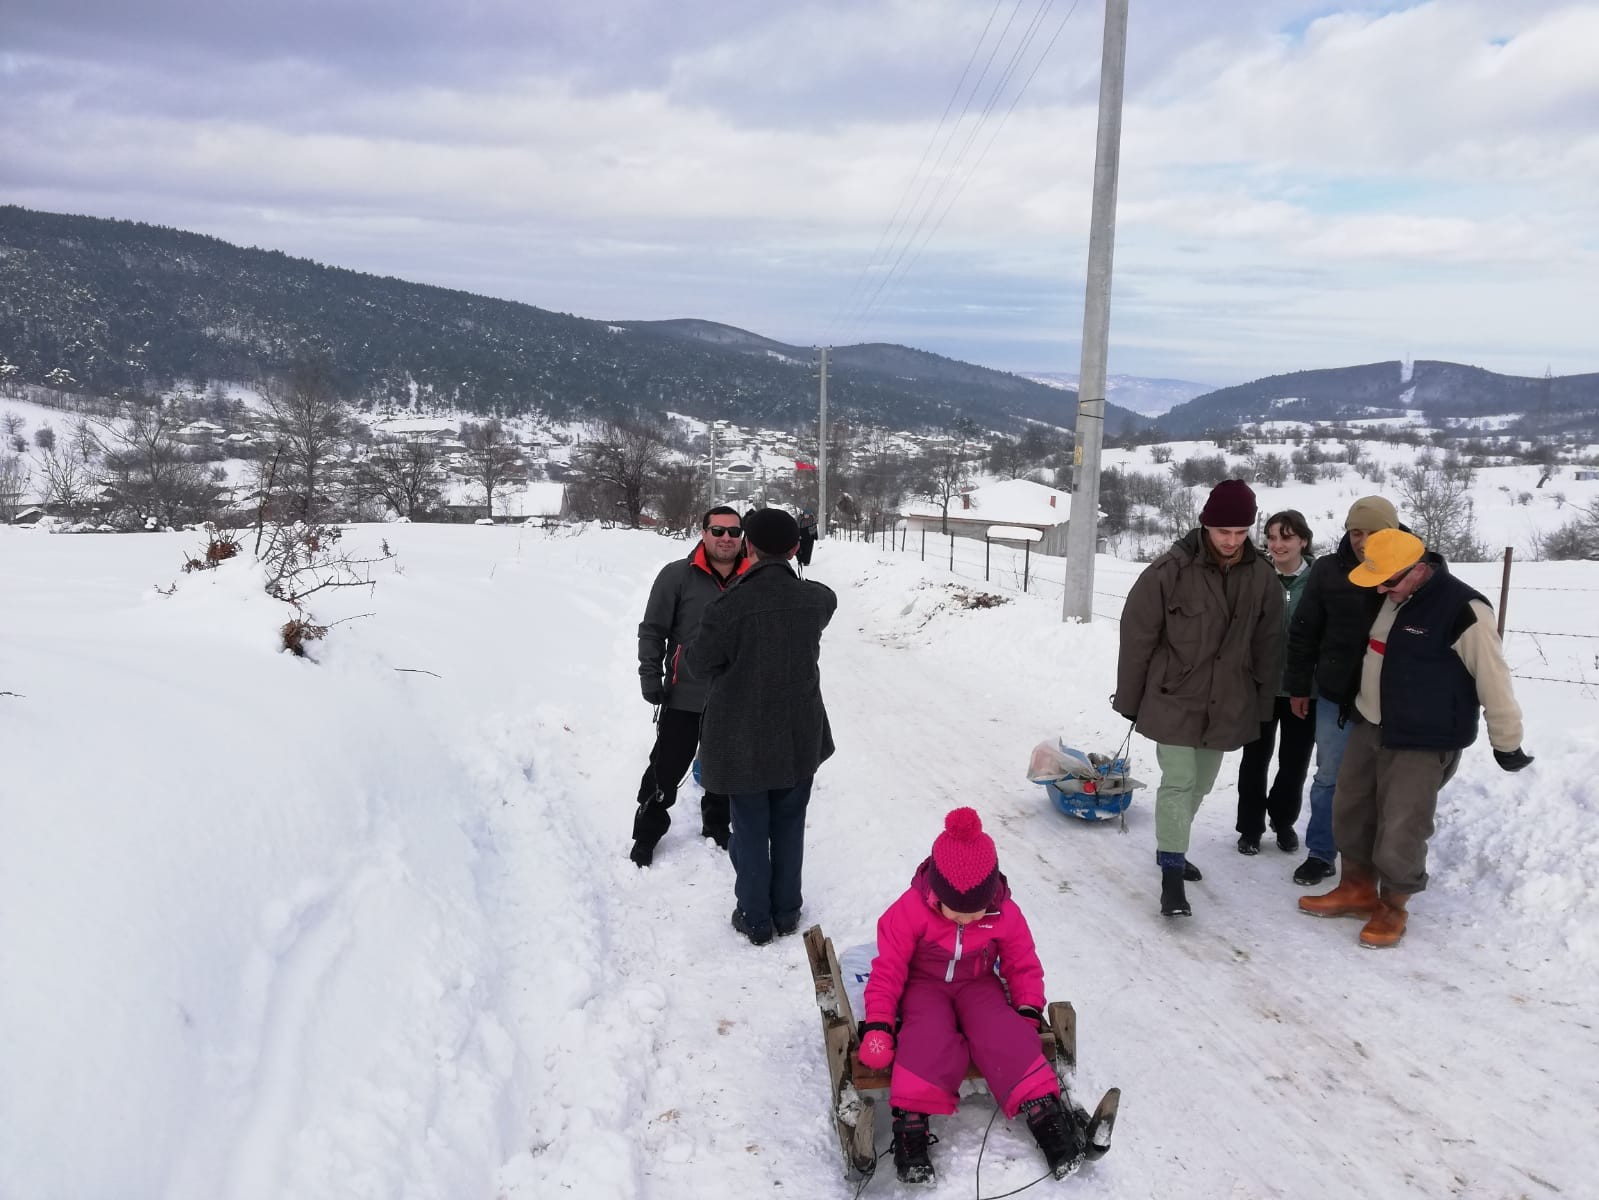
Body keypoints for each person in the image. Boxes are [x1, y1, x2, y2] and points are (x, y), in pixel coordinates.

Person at [1299, 530, 1533, 947]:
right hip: (1370, 724)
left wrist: (1507, 741)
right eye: (1378, 582)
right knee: (1350, 809)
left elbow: (1494, 680)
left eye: (1389, 582)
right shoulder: (1389, 596)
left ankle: (1393, 906)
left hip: (1423, 739)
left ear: (1421, 570)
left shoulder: (1464, 610)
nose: (1382, 590)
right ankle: (1355, 888)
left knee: (1402, 826)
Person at [856, 808, 1086, 1184]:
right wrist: (879, 1024)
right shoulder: (910, 909)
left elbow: (1022, 963)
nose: (966, 920)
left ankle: (1046, 1115)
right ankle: (910, 1126)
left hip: (978, 984)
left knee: (1002, 1031)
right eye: (956, 912)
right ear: (937, 893)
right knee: (925, 1036)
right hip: (923, 986)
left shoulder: (1004, 912)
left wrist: (1028, 1013)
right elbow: (888, 969)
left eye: (976, 911)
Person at [1114, 479, 1283, 917]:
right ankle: (1172, 875)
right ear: (1206, 525)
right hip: (1173, 695)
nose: (1232, 541)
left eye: (1241, 532)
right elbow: (1137, 638)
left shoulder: (1262, 577)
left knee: (1202, 783)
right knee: (1180, 780)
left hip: (1228, 700)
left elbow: (1269, 645)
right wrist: (1131, 700)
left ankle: (1172, 844)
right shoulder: (1170, 570)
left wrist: (1263, 706)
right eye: (1224, 531)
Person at [686, 507, 836, 946]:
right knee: (790, 821)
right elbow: (823, 595)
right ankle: (787, 911)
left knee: (749, 826)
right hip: (798, 736)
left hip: (742, 738)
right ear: (794, 548)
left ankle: (755, 917)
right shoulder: (817, 600)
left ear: (748, 545)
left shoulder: (728, 606)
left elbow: (699, 663)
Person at [1283, 496, 1400, 886]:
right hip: (1337, 694)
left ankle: (1379, 859)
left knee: (1388, 782)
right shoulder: (1330, 571)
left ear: (1393, 531)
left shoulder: (1416, 569)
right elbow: (1304, 630)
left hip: (1393, 699)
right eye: (1356, 532)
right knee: (1329, 777)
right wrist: (1299, 687)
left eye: (1373, 532)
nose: (1362, 541)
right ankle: (1320, 852)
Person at [630, 505, 749, 867]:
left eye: (733, 531)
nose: (726, 538)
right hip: (685, 694)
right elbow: (653, 629)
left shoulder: (755, 577)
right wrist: (650, 675)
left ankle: (716, 825)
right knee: (666, 768)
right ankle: (647, 833)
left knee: (726, 768)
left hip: (735, 697)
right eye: (718, 531)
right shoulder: (677, 576)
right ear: (703, 533)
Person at [1235, 510, 1317, 856]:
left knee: (1294, 763)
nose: (1277, 544)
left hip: (1303, 689)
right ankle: (1250, 828)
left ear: (1303, 540)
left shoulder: (1318, 581)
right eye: (1271, 537)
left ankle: (1283, 822)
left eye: (1286, 536)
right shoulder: (1256, 576)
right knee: (1254, 760)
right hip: (1261, 687)